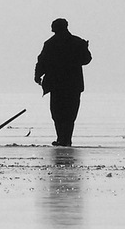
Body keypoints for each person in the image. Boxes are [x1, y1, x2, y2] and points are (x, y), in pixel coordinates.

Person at [34, 18, 92, 146]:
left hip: (58, 84)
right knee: (69, 114)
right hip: (72, 85)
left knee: (58, 113)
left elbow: (42, 61)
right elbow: (86, 59)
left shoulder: (51, 44)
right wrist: (84, 49)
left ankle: (62, 138)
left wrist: (38, 76)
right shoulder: (77, 42)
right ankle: (65, 139)